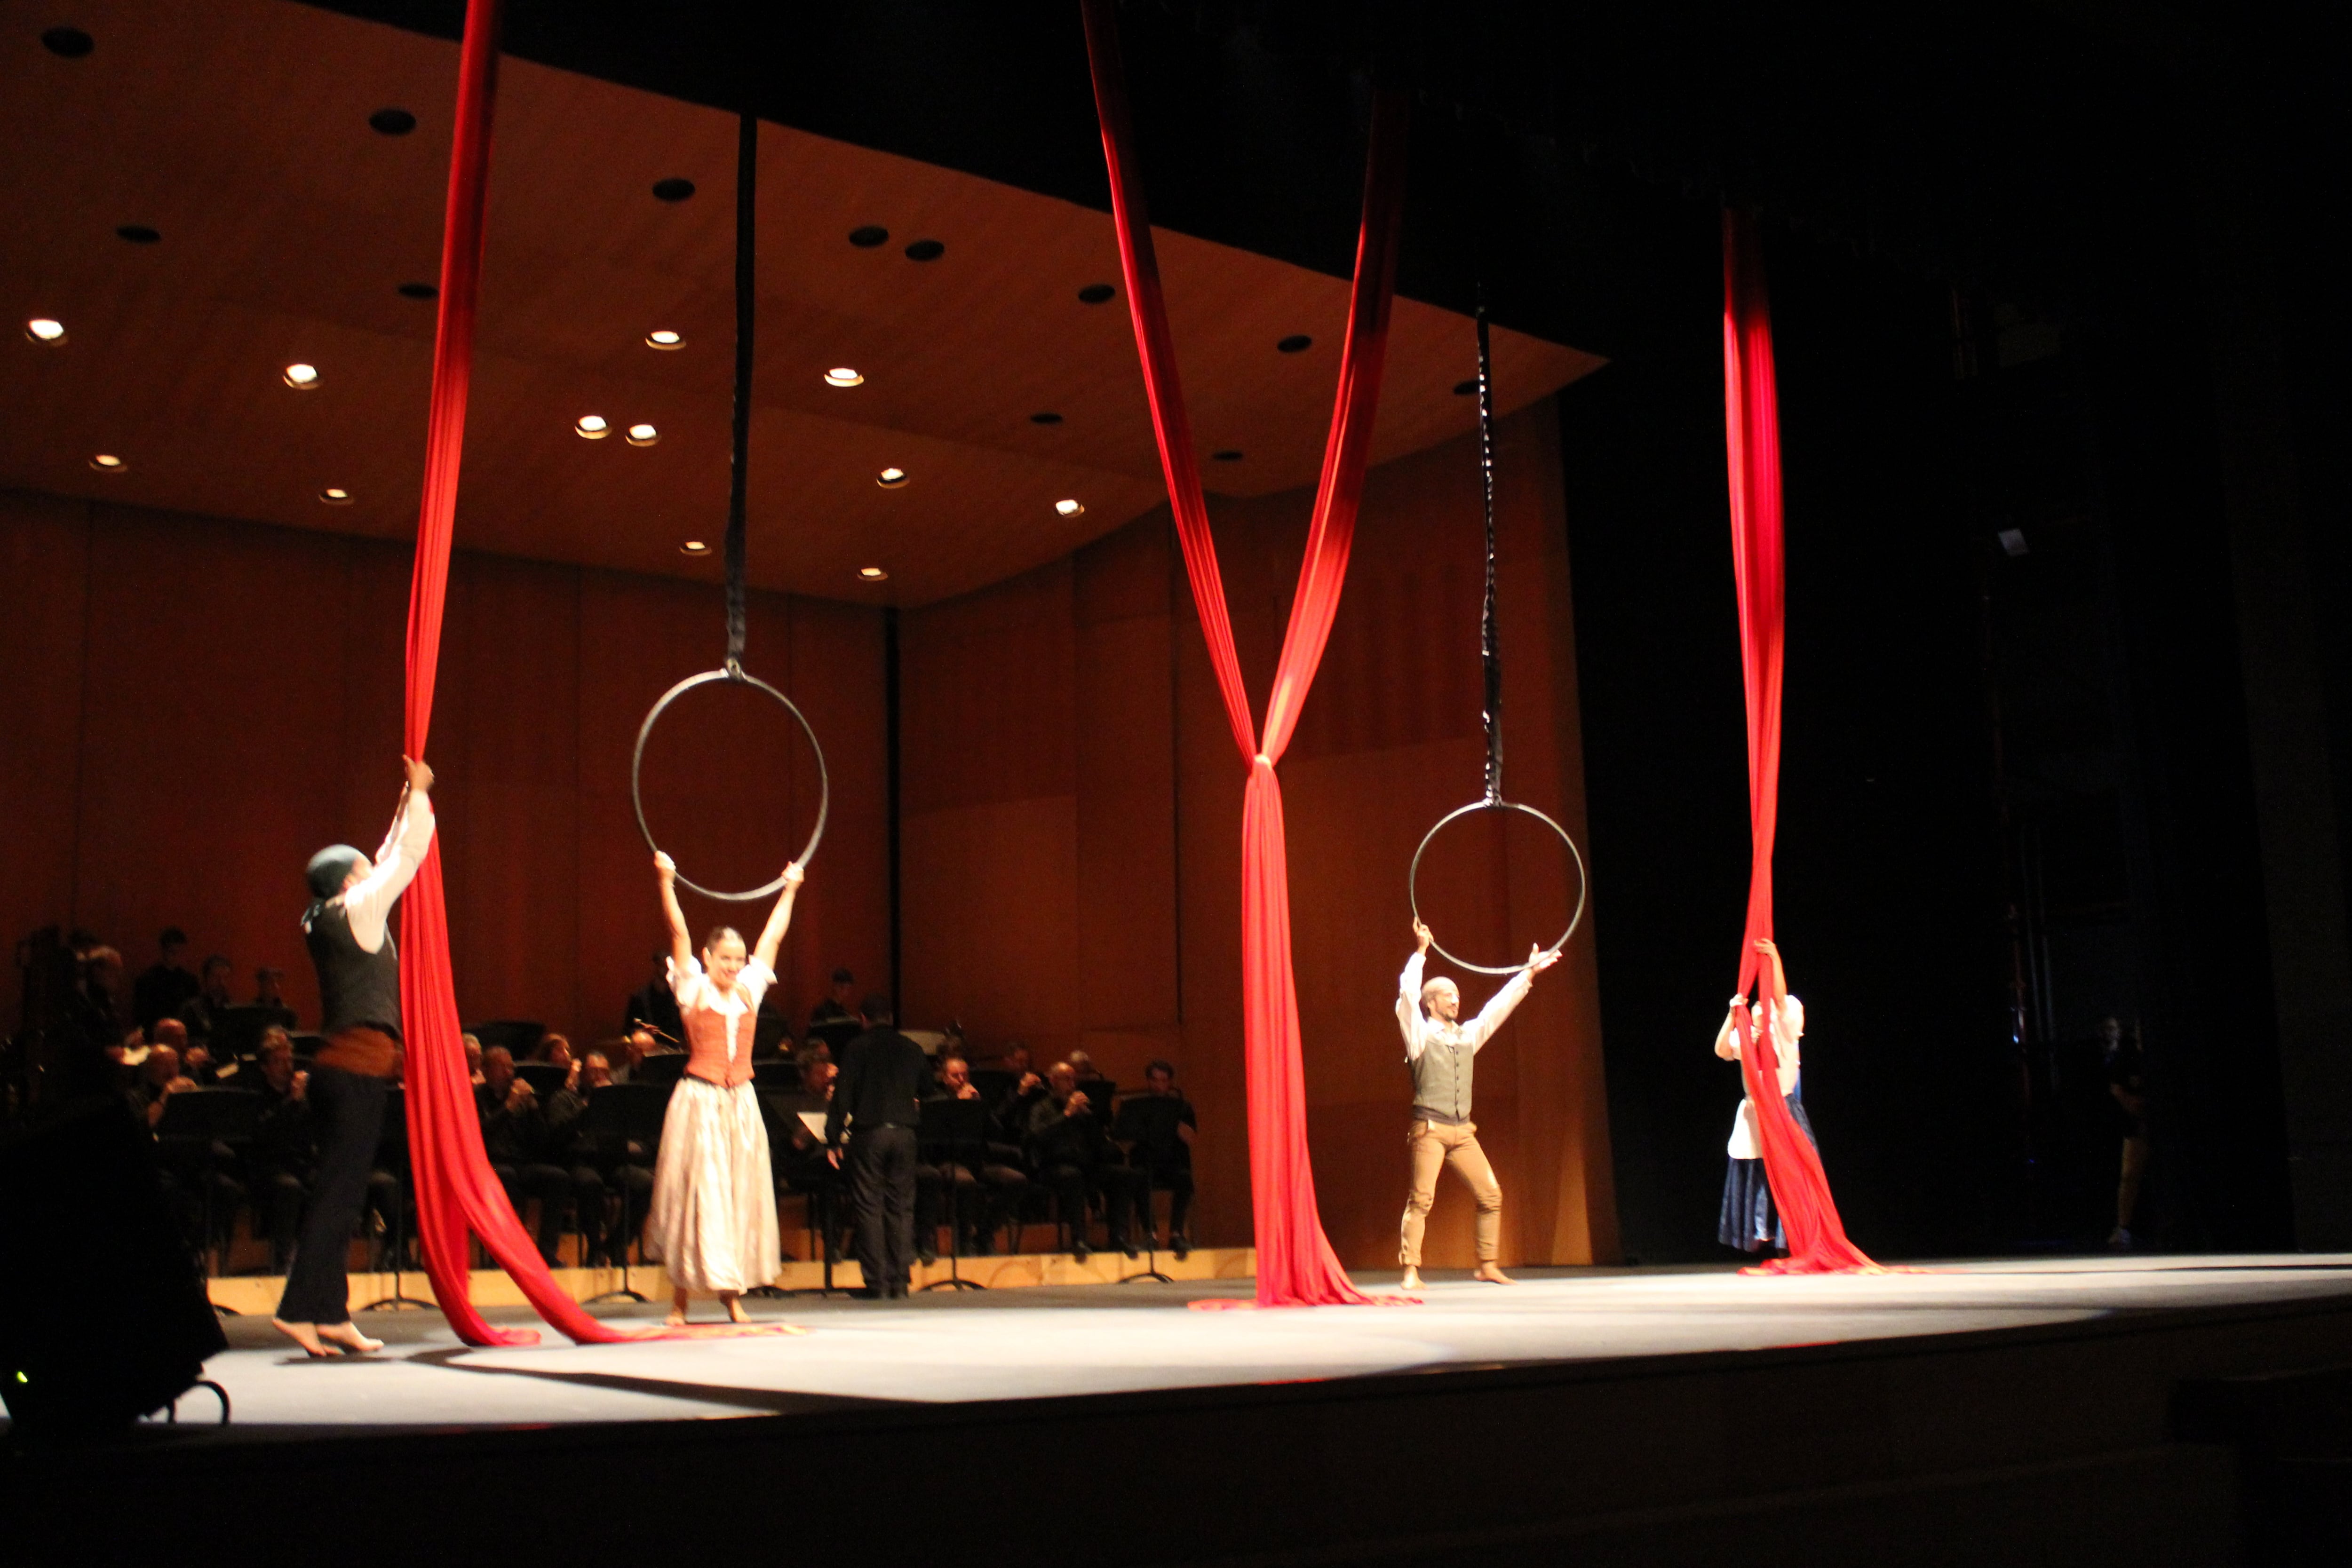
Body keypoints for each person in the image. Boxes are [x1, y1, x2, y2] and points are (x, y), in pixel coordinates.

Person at [273, 755, 434, 1357]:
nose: (372, 874)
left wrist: (403, 799)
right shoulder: (358, 912)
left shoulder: (333, 914)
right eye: (363, 871)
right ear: (350, 882)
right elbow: (406, 856)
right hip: (355, 1073)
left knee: (340, 1192)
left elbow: (388, 849)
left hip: (340, 1073)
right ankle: (298, 1310)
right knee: (338, 1196)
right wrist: (419, 795)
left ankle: (331, 1313)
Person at [644, 850, 803, 1325]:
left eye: (739, 959)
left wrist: (790, 887)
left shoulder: (751, 988)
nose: (734, 967)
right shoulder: (692, 987)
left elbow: (773, 936)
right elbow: (678, 933)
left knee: (736, 1194)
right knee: (696, 1195)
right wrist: (667, 882)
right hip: (700, 1099)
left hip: (741, 1102)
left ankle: (731, 1293)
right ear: (709, 958)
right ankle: (680, 1298)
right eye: (725, 959)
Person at [1395, 919, 1559, 1291]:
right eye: (1447, 995)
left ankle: (1487, 1265)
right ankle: (1411, 1270)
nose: (1456, 999)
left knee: (1491, 1195)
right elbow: (1406, 996)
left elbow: (1495, 1011)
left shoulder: (1466, 1036)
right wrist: (1421, 953)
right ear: (1431, 1003)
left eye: (1457, 994)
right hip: (1431, 1130)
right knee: (1422, 1199)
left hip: (1463, 1131)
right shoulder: (1420, 1035)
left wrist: (1528, 975)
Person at [1714, 936, 1814, 1256]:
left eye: (1762, 1007)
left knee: (1791, 1174)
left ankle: (1794, 1236)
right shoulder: (1749, 1037)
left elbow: (1782, 999)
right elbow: (1720, 1050)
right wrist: (1733, 1014)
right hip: (1755, 1113)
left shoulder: (1785, 1022)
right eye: (1755, 1008)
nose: (1760, 1010)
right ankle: (1763, 1232)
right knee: (1757, 1174)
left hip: (1782, 1107)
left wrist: (1773, 958)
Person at [826, 994, 928, 1297]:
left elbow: (842, 1095)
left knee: (870, 1206)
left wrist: (833, 1138)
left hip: (870, 1134)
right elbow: (928, 1089)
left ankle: (878, 1282)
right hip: (905, 1134)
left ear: (863, 1019)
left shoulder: (857, 1049)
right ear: (892, 1018)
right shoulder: (912, 1049)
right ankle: (899, 1281)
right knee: (902, 1207)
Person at [914, 1053, 1027, 1261]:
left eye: (964, 1075)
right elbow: (933, 1138)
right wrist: (959, 1105)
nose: (961, 1079)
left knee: (1017, 1181)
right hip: (947, 1161)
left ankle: (984, 1233)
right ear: (945, 1078)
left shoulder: (976, 1099)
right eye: (955, 1075)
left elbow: (997, 1133)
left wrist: (980, 1107)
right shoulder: (936, 1102)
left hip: (977, 1161)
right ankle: (964, 1241)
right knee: (966, 1182)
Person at [1026, 1061, 1144, 1260]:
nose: (1072, 1084)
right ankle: (1079, 1240)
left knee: (1123, 1175)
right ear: (1053, 1081)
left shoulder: (1082, 1111)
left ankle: (1118, 1237)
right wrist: (1066, 1115)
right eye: (1067, 1079)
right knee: (1073, 1177)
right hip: (1053, 1166)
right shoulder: (1041, 1108)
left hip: (1086, 1165)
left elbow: (1100, 1144)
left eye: (1074, 1080)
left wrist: (1090, 1119)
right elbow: (1036, 1137)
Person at [476, 1046, 576, 1266]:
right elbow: (479, 1135)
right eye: (502, 1067)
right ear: (486, 1070)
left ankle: (547, 1254)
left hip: (521, 1165)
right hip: (489, 1166)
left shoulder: (522, 1098)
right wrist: (508, 1107)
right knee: (505, 1176)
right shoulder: (477, 1097)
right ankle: (500, 1255)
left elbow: (542, 1143)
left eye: (511, 1066)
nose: (510, 1072)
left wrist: (533, 1109)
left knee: (557, 1178)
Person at [247, 1029, 315, 1272]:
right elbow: (265, 1134)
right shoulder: (256, 1094)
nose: (287, 1067)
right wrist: (292, 1102)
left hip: (301, 1164)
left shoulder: (303, 1094)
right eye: (278, 1061)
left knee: (332, 1180)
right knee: (290, 1188)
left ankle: (320, 1260)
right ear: (265, 1067)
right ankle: (282, 1259)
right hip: (268, 1166)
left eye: (289, 1060)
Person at [1113, 1059, 1197, 1257]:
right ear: (1149, 1081)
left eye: (1164, 1081)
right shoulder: (1134, 1106)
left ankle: (1176, 1234)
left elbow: (1191, 1137)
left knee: (1185, 1179)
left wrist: (1183, 1131)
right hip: (1145, 1161)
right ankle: (1150, 1234)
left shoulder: (1182, 1107)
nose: (1160, 1085)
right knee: (1139, 1177)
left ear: (1170, 1082)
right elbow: (1121, 1136)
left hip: (1172, 1163)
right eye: (1155, 1080)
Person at [2104, 1017, 2149, 1249]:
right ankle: (2123, 1227)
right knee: (2130, 1175)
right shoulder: (2128, 1059)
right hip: (2135, 1127)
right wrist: (2134, 1104)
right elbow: (2118, 1088)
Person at [133, 927, 201, 1035]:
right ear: (163, 951)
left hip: (184, 1034)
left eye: (180, 952)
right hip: (156, 1034)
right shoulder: (147, 980)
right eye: (172, 952)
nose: (176, 956)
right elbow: (142, 1015)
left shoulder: (190, 981)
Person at [625, 950, 686, 1048]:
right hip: (648, 1053)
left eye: (668, 967)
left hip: (673, 1052)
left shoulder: (678, 997)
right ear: (655, 966)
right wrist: (643, 1032)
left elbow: (682, 1030)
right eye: (662, 966)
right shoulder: (640, 998)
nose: (666, 970)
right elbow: (629, 1030)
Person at [178, 954, 237, 1046]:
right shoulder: (192, 1008)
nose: (222, 982)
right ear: (206, 978)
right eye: (217, 977)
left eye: (225, 977)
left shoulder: (233, 1009)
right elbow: (183, 1040)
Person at [808, 967, 862, 1054]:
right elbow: (814, 1039)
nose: (845, 991)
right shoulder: (822, 1011)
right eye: (842, 987)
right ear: (835, 986)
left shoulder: (844, 1012)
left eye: (847, 988)